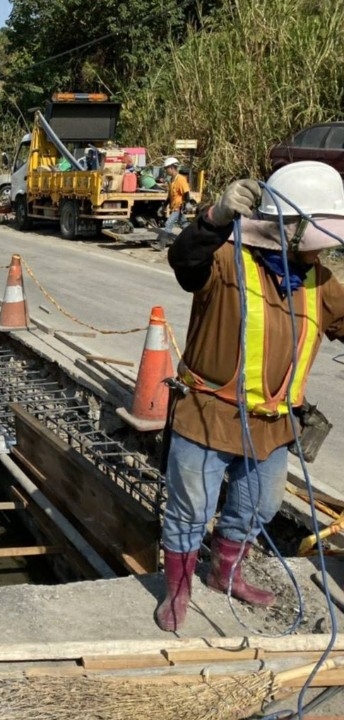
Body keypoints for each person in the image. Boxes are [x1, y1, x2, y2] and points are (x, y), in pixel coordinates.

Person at [155, 160, 344, 632]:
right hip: (207, 416)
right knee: (190, 511)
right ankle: (177, 592)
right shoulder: (225, 257)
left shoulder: (318, 279)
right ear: (291, 223)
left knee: (258, 506)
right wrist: (215, 217)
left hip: (273, 425)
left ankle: (226, 573)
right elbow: (184, 260)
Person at [163, 157, 192, 234]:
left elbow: (186, 192)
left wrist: (188, 203)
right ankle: (192, 237)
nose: (166, 170)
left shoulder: (181, 179)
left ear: (172, 168)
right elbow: (170, 196)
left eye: (166, 168)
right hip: (174, 207)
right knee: (184, 224)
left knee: (168, 224)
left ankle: (162, 244)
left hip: (179, 207)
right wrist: (164, 206)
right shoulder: (171, 180)